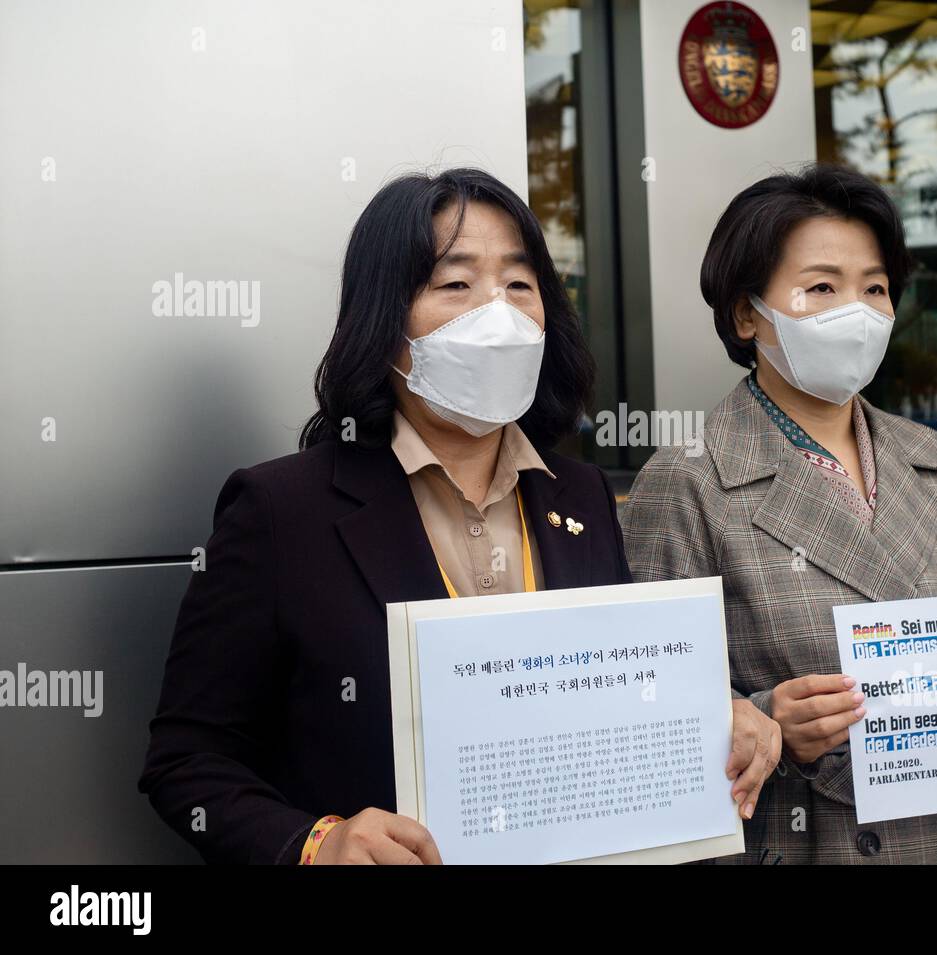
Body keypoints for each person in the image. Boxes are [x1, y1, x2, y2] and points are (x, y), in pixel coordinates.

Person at [138, 168, 779, 864]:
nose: (495, 313)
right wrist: (316, 844)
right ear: (383, 323)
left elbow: (607, 700)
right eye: (455, 285)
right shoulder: (280, 512)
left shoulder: (584, 497)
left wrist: (711, 720)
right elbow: (187, 761)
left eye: (519, 284)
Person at [622, 163, 937, 864]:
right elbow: (643, 726)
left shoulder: (936, 460)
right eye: (821, 286)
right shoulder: (688, 480)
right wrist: (766, 719)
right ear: (745, 312)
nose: (855, 310)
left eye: (875, 288)